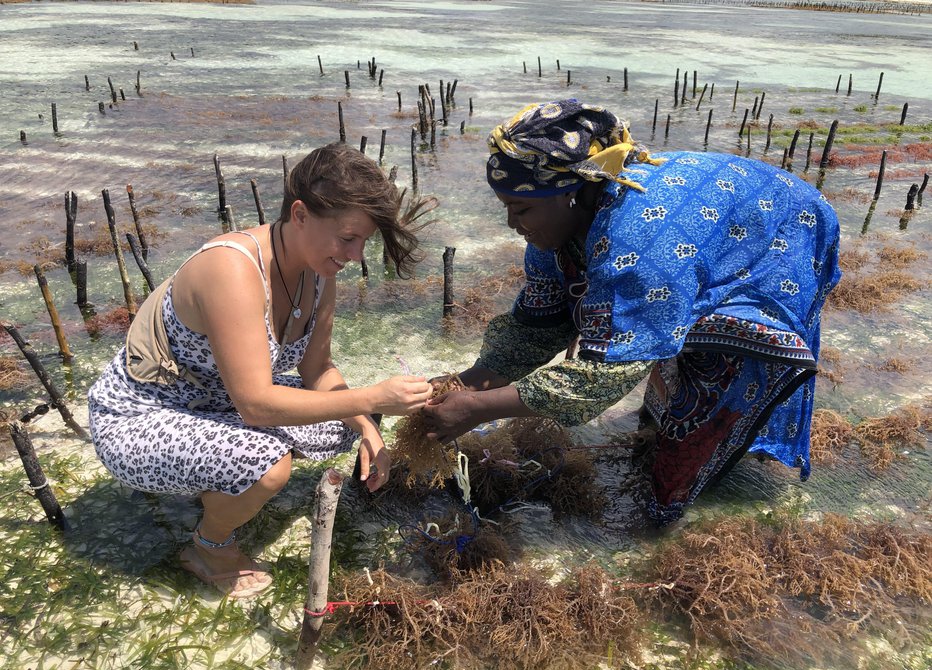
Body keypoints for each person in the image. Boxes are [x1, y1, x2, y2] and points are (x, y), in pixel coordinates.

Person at [422, 99, 840, 524]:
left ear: (571, 191)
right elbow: (538, 325)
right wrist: (470, 381)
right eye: (506, 208)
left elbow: (604, 375)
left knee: (714, 365)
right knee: (652, 333)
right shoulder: (552, 236)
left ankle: (695, 496)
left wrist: (478, 409)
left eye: (523, 209)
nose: (513, 224)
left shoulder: (640, 246)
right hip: (695, 228)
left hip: (781, 229)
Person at [88, 143, 433, 598]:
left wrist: (369, 427)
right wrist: (371, 398)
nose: (355, 254)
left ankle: (213, 482)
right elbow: (254, 405)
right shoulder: (231, 268)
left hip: (213, 403)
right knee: (266, 464)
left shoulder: (318, 272)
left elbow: (320, 369)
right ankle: (207, 546)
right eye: (348, 237)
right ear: (300, 214)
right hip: (137, 416)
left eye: (362, 241)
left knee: (342, 428)